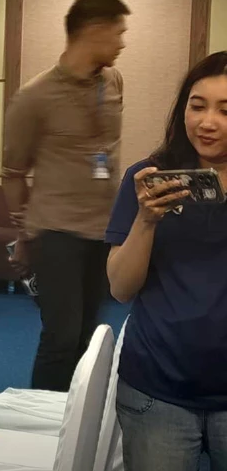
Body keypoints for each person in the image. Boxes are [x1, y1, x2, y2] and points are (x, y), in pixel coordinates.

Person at [1, 0, 130, 391]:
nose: (122, 43)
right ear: (93, 30)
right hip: (55, 231)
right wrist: (24, 236)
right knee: (61, 335)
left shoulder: (113, 81)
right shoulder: (34, 97)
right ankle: (41, 417)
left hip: (102, 230)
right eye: (118, 33)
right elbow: (12, 173)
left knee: (89, 335)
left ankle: (79, 415)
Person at [105, 51, 227, 470]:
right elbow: (121, 289)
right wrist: (146, 219)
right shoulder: (148, 179)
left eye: (225, 110)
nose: (207, 122)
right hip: (157, 389)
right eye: (197, 106)